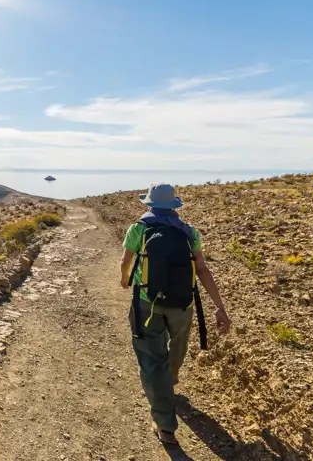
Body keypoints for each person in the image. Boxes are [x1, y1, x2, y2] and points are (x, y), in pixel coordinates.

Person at [120, 183, 231, 445]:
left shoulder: (139, 229)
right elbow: (202, 270)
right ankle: (169, 382)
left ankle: (165, 424)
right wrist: (220, 307)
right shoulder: (190, 232)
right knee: (177, 346)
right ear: (174, 207)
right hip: (183, 304)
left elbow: (126, 261)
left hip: (147, 302)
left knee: (151, 359)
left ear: (149, 205)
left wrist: (125, 280)